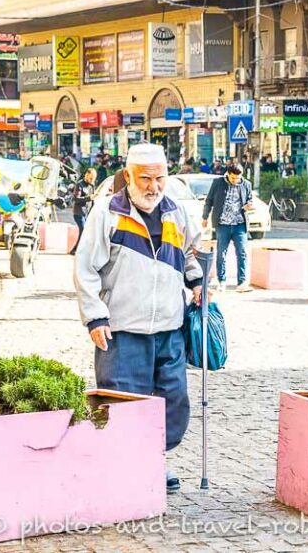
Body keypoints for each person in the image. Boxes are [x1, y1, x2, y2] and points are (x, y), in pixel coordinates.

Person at [74, 143, 204, 494]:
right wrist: (95, 317)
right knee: (122, 400)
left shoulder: (175, 212)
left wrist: (196, 281)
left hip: (169, 327)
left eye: (160, 178)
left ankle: (153, 458)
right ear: (129, 176)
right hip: (122, 329)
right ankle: (125, 466)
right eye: (145, 178)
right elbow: (86, 269)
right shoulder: (108, 212)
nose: (153, 186)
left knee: (172, 398)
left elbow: (188, 254)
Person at [202, 164, 255, 292]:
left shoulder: (246, 184)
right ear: (227, 174)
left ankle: (242, 282)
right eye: (232, 178)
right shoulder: (218, 183)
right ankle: (222, 280)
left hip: (239, 224)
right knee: (221, 253)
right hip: (223, 224)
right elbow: (209, 201)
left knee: (242, 253)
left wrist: (249, 206)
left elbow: (250, 200)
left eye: (237, 178)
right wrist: (205, 217)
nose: (235, 181)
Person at [69, 168, 97, 255]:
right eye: (90, 178)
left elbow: (93, 200)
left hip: (87, 212)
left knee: (87, 231)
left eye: (93, 179)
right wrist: (88, 198)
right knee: (83, 230)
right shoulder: (79, 185)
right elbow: (76, 199)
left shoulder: (92, 185)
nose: (91, 180)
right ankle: (75, 250)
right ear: (86, 175)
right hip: (79, 212)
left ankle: (80, 250)